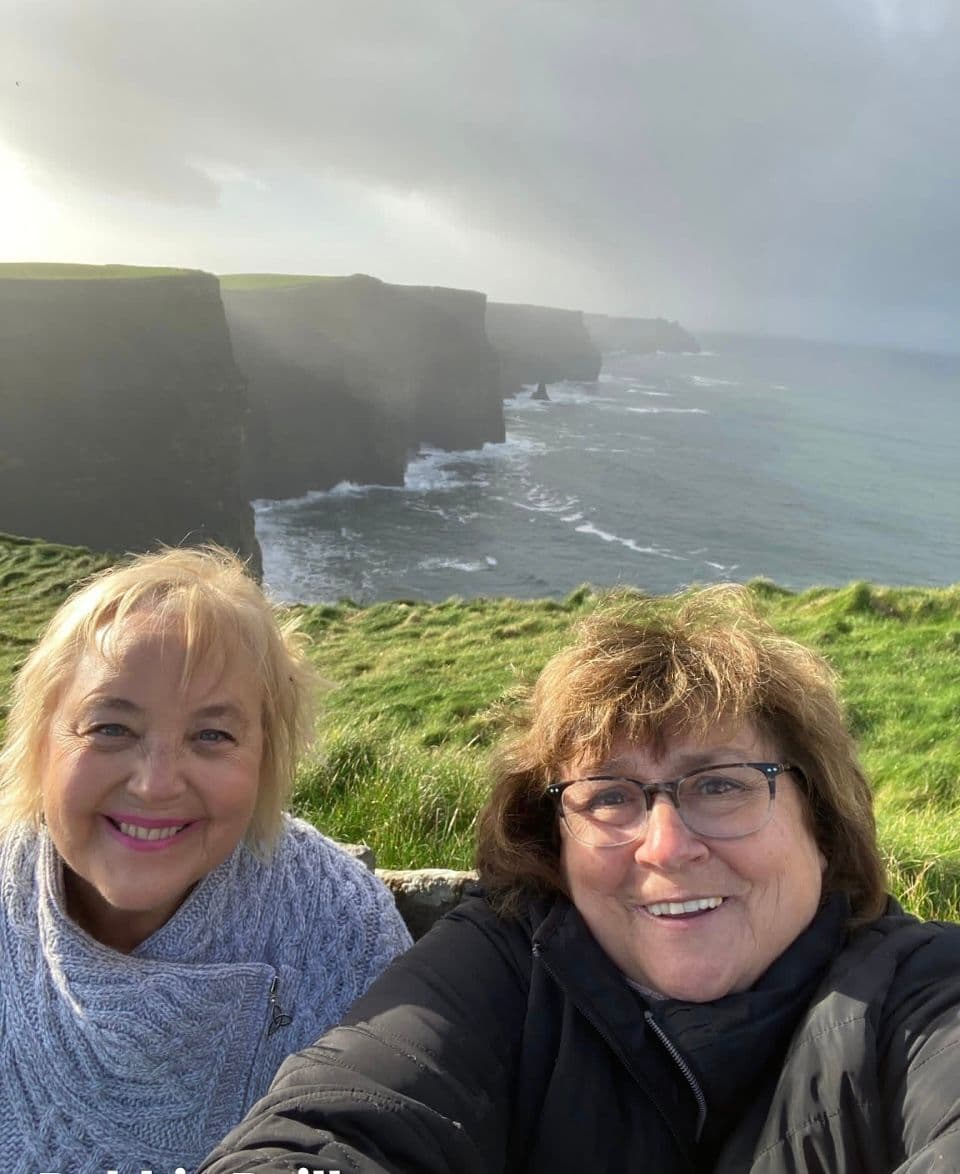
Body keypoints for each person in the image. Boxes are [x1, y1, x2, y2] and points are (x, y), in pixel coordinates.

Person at [202, 585, 960, 1173]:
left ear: (820, 818)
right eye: (607, 797)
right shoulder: (504, 965)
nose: (665, 847)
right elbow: (336, 1121)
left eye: (721, 785)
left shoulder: (920, 993)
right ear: (553, 838)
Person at [0, 546, 411, 1174]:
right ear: (40, 737)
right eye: (110, 727)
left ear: (266, 757)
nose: (156, 784)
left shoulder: (339, 926)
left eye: (212, 735)